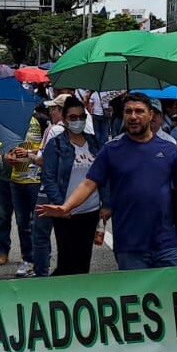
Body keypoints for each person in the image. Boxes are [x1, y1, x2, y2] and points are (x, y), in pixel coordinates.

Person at [39, 93, 177, 272]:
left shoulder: (169, 150)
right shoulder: (111, 149)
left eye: (139, 111)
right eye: (128, 111)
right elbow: (89, 183)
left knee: (174, 287)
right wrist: (66, 207)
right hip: (129, 246)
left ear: (151, 115)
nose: (133, 116)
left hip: (166, 243)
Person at [40, 97, 109, 276]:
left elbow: (103, 176)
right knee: (67, 262)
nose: (78, 121)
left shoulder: (94, 143)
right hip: (66, 213)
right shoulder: (56, 145)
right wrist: (61, 206)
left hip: (91, 211)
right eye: (73, 117)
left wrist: (106, 203)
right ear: (64, 119)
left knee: (83, 260)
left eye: (81, 117)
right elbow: (48, 178)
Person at [0, 102, 44, 276]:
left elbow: (45, 148)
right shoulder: (4, 122)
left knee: (34, 222)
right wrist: (6, 156)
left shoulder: (40, 121)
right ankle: (19, 256)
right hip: (10, 177)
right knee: (12, 220)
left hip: (34, 179)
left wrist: (29, 154)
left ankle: (38, 259)